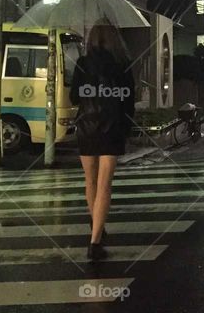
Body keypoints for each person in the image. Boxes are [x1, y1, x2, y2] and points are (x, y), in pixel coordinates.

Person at [70, 23, 135, 261]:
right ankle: (95, 241)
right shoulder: (123, 65)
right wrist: (126, 130)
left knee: (90, 181)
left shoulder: (82, 63)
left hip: (86, 128)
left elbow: (74, 97)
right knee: (105, 184)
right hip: (112, 129)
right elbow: (129, 103)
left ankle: (97, 227)